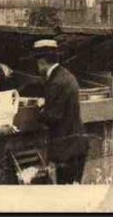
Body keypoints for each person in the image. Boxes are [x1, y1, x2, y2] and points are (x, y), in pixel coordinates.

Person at [31, 39, 89, 184]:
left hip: (65, 151)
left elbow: (52, 117)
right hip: (77, 146)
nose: (38, 68)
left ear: (42, 61)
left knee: (65, 193)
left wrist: (39, 109)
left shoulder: (55, 82)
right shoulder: (67, 75)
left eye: (37, 63)